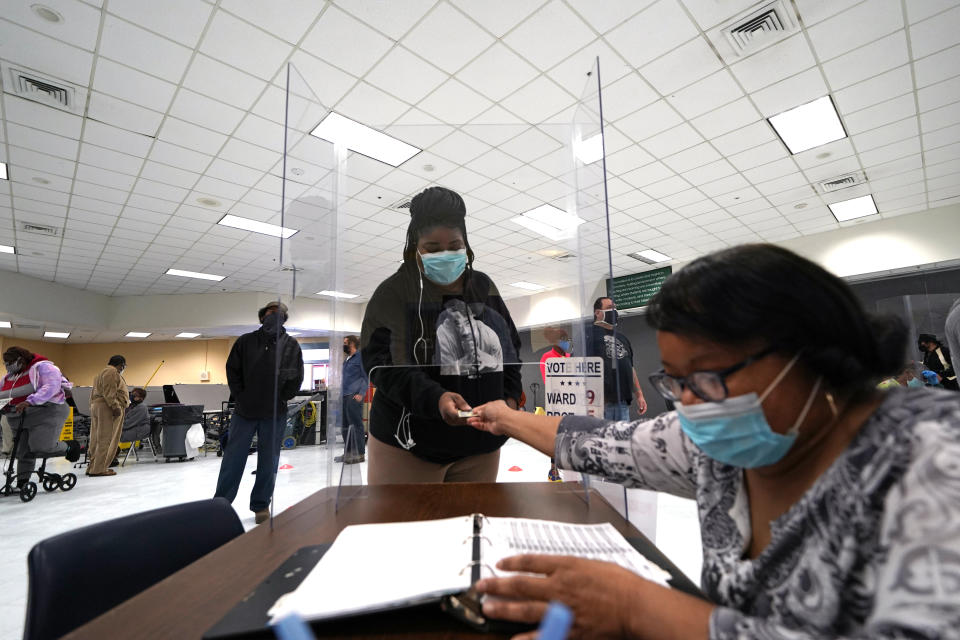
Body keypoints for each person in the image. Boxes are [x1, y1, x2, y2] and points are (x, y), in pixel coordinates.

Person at [465, 244, 960, 639]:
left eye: (707, 376)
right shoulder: (720, 448)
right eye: (678, 382)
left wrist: (637, 607)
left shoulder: (935, 455)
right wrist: (505, 417)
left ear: (808, 353)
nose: (690, 406)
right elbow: (600, 443)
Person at [360, 186, 522, 485]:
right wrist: (435, 399)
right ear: (415, 248)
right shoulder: (394, 292)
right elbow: (381, 366)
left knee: (471, 529)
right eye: (433, 248)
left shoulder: (483, 287)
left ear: (466, 245)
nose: (445, 255)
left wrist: (510, 399)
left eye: (454, 245)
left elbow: (510, 347)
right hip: (408, 449)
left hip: (481, 447)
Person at [215, 301, 303, 524]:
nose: (275, 317)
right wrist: (241, 396)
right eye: (270, 313)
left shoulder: (291, 345)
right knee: (233, 459)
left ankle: (261, 505)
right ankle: (221, 504)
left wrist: (283, 396)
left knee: (269, 461)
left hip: (274, 413)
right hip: (245, 411)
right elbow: (232, 370)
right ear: (262, 317)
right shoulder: (245, 342)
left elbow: (296, 377)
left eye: (279, 314)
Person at [1, 347, 79, 484]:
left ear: (20, 359)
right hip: (18, 416)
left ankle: (69, 446)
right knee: (22, 451)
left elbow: (51, 387)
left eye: (10, 362)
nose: (8, 365)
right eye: (5, 362)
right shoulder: (8, 377)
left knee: (41, 446)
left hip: (47, 411)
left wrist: (30, 401)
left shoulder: (43, 368)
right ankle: (23, 482)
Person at [585, 297, 648, 420]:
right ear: (598, 313)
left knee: (621, 438)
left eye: (615, 308)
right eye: (609, 308)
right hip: (599, 403)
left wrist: (639, 394)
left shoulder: (622, 338)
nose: (614, 311)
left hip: (622, 402)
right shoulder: (588, 336)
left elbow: (630, 367)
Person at [88, 355, 129, 477]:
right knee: (107, 438)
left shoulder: (100, 373)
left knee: (96, 438)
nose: (123, 368)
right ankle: (99, 469)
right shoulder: (111, 371)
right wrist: (115, 406)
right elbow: (109, 391)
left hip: (98, 406)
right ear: (121, 364)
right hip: (108, 407)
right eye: (124, 366)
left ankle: (93, 467)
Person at [539, 327, 570, 483]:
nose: (566, 342)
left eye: (567, 339)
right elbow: (548, 381)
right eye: (563, 339)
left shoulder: (571, 357)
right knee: (555, 437)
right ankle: (553, 470)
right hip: (556, 403)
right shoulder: (547, 357)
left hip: (571, 403)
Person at [337, 335, 366, 464]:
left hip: (354, 396)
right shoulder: (347, 360)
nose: (343, 345)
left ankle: (359, 454)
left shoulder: (360, 358)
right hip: (344, 396)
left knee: (356, 425)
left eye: (345, 343)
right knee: (345, 426)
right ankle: (348, 452)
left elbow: (366, 377)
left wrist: (361, 393)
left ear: (352, 344)